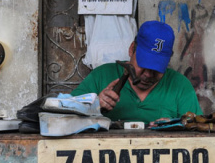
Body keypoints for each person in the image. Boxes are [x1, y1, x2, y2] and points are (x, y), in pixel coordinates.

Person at [71, 20, 202, 125]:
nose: (148, 75)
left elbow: (199, 129)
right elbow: (64, 115)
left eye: (156, 69)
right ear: (132, 49)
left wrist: (176, 125)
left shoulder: (180, 86)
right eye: (143, 65)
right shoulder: (101, 76)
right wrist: (94, 105)